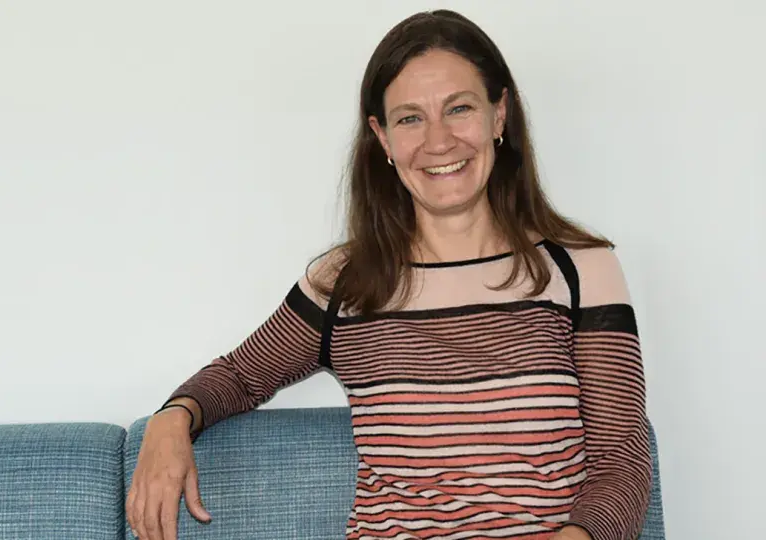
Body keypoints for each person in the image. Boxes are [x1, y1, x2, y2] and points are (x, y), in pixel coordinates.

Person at [126, 9, 652, 540]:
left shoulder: (580, 270)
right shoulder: (346, 283)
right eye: (410, 118)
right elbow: (239, 376)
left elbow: (622, 463)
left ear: (499, 115)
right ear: (382, 137)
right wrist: (172, 419)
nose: (439, 140)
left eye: (459, 108)